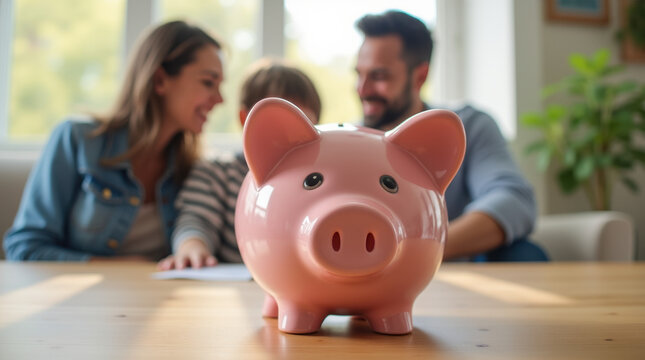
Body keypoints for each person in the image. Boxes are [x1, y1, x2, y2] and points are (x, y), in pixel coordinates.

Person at [3, 20, 225, 261]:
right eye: (208, 82)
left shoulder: (193, 170)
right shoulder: (77, 140)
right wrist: (120, 267)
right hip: (86, 296)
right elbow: (25, 247)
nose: (220, 99)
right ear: (160, 80)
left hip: (160, 297)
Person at [354, 10, 547, 261]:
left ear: (420, 76)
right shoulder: (347, 142)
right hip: (364, 271)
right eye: (359, 74)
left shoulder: (469, 126)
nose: (362, 89)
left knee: (525, 254)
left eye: (379, 76)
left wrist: (417, 254)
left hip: (450, 264)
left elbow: (513, 199)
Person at [157, 59, 321, 270]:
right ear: (245, 119)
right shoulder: (217, 172)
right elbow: (196, 220)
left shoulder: (317, 182)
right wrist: (192, 248)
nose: (290, 134)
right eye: (277, 123)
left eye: (305, 123)